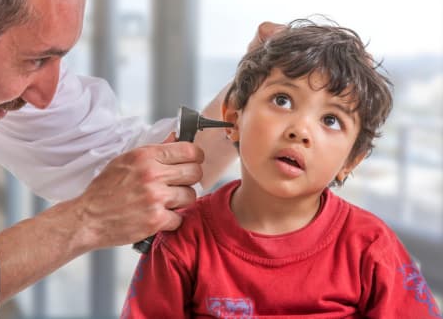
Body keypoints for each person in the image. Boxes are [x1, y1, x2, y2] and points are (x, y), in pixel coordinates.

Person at [0, 0, 282, 317]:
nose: (46, 95)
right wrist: (82, 220)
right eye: (36, 60)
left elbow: (123, 164)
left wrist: (248, 95)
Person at [120, 18, 443, 319]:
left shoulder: (372, 248)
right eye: (282, 100)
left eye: (331, 120)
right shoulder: (182, 241)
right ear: (233, 119)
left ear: (350, 162)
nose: (300, 130)